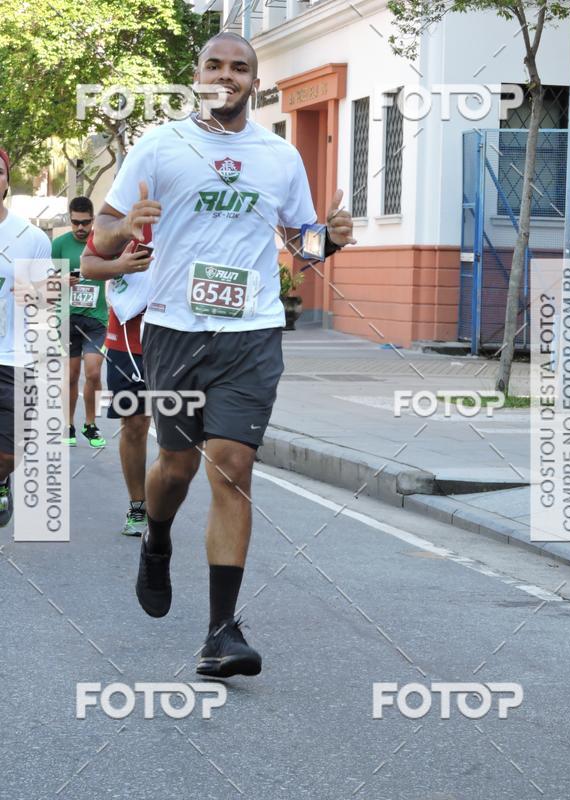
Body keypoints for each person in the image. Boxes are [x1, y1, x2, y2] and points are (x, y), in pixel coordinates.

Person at [93, 32, 355, 678]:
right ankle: (157, 538)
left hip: (252, 333)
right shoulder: (161, 145)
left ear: (254, 84)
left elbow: (301, 244)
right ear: (198, 75)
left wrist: (331, 240)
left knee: (233, 468)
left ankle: (221, 632)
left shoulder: (280, 157)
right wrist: (124, 228)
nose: (225, 75)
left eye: (239, 67)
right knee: (176, 468)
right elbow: (103, 231)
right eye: (214, 64)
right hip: (175, 330)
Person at [80, 238, 153, 535]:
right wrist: (120, 265)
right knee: (134, 424)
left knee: (179, 428)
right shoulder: (121, 220)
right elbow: (89, 265)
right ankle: (138, 505)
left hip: (182, 334)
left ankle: (166, 501)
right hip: (127, 336)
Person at [0, 148, 53, 525]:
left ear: (7, 180)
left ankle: (2, 477)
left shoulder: (30, 236)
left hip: (15, 357)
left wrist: (34, 292)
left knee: (11, 452)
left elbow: (52, 294)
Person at [52, 196, 107, 448]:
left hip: (96, 318)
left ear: (93, 220)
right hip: (67, 318)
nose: (80, 228)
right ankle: (69, 425)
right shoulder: (59, 245)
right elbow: (44, 282)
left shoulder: (102, 242)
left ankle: (90, 424)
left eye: (85, 222)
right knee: (71, 375)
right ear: (70, 219)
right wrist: (61, 279)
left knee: (93, 372)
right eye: (75, 222)